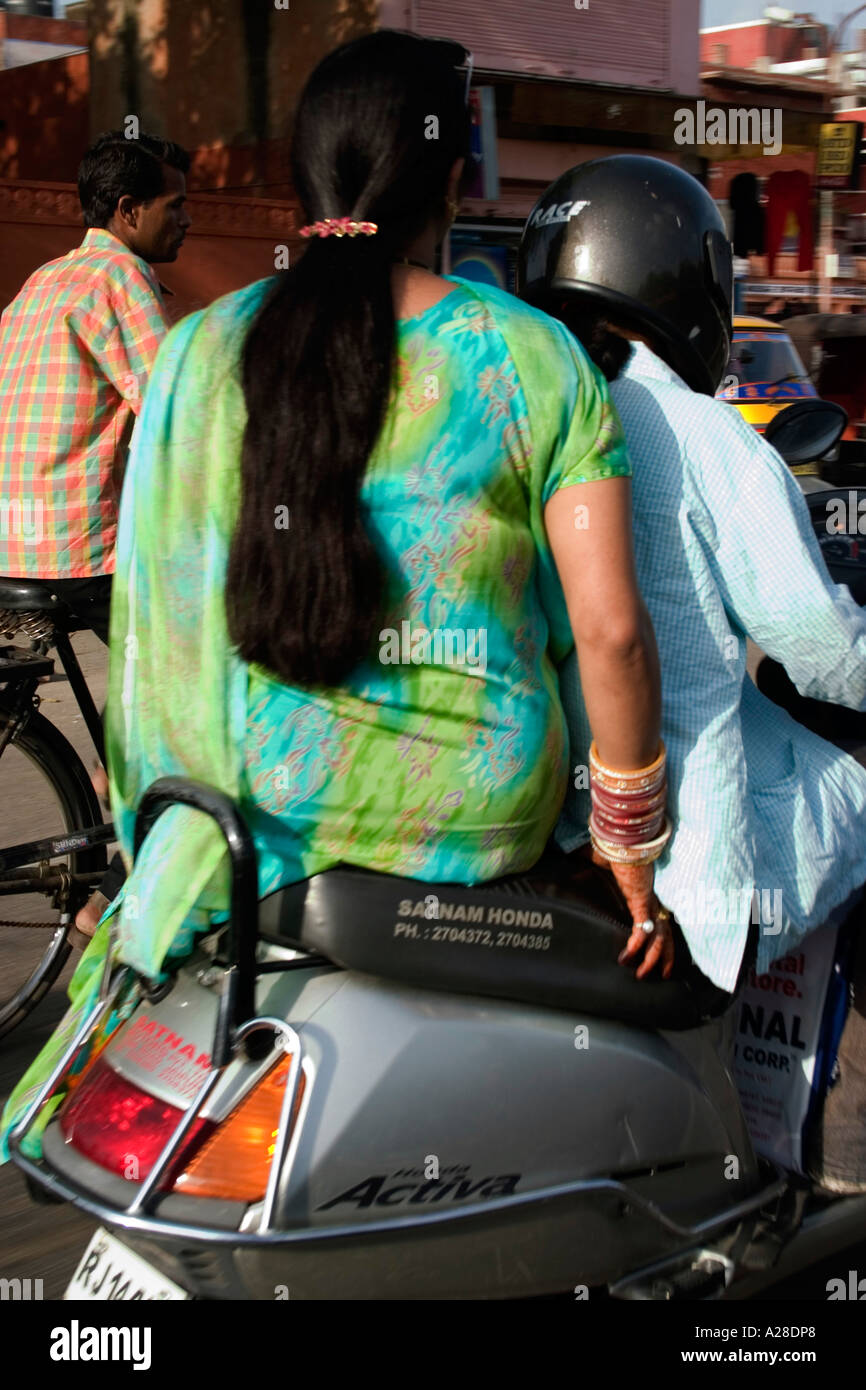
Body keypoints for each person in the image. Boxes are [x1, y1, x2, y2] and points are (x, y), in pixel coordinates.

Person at [1, 30, 670, 1159]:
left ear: (304, 177)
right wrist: (628, 851)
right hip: (477, 814)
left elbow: (165, 614)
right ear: (452, 178)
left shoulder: (198, 353)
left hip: (246, 814)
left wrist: (160, 834)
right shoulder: (532, 357)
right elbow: (607, 631)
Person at [519, 153, 866, 1190]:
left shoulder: (527, 409)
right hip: (679, 858)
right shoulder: (704, 436)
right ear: (685, 284)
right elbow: (814, 639)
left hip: (547, 822)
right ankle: (811, 1145)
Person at [0, 129, 191, 937]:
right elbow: (177, 412)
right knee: (186, 681)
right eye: (176, 207)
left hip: (11, 542)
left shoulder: (45, 278)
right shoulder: (121, 279)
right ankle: (125, 879)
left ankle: (110, 828)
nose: (187, 222)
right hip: (78, 551)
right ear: (129, 210)